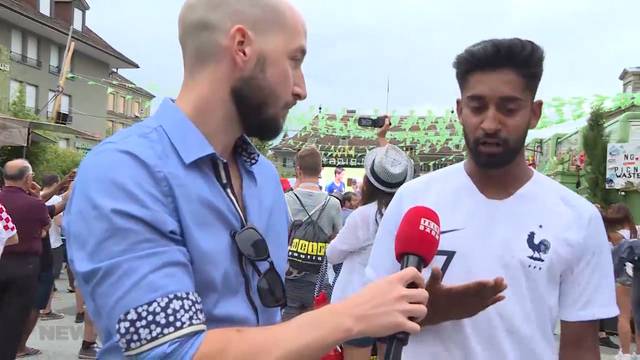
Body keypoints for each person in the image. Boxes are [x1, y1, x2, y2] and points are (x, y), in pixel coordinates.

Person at [63, 1, 433, 358]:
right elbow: (170, 351)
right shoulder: (124, 172)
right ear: (241, 47)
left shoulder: (264, 177)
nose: (301, 88)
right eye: (294, 60)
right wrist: (352, 316)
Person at [366, 38, 618, 360]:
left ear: (534, 113)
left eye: (509, 108)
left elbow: (581, 347)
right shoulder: (414, 201)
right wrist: (429, 312)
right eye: (477, 106)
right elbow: (369, 323)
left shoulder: (578, 219)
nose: (489, 123)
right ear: (459, 110)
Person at [327, 144, 413, 360]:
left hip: (358, 305)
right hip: (393, 303)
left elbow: (332, 254)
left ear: (368, 182)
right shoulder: (406, 215)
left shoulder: (363, 215)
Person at [283, 146, 342, 320]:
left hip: (289, 277)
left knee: (286, 331)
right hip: (318, 279)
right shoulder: (333, 204)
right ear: (321, 170)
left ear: (298, 170)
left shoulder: (286, 200)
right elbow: (337, 241)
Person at [0, 159, 51, 359]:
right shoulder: (34, 204)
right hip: (24, 267)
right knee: (13, 320)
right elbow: (44, 229)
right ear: (28, 178)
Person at [604, 203, 639, 360]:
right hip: (638, 274)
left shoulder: (612, 235)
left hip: (622, 277)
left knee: (623, 316)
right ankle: (638, 353)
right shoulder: (637, 229)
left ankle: (624, 353)